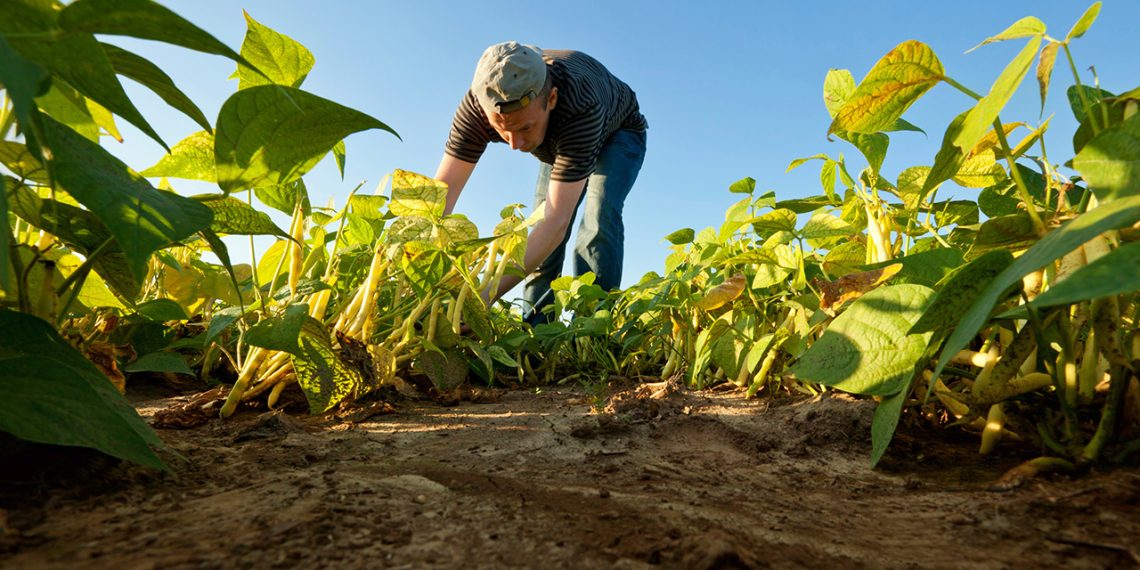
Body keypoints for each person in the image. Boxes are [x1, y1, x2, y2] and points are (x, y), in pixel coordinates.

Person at [434, 41, 647, 324]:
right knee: (538, 230)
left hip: (618, 132)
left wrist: (479, 298)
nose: (515, 144)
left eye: (525, 128)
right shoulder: (476, 107)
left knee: (598, 213)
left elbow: (556, 223)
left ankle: (594, 327)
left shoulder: (581, 106)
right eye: (502, 129)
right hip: (557, 139)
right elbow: (439, 197)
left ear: (551, 98)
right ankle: (536, 330)